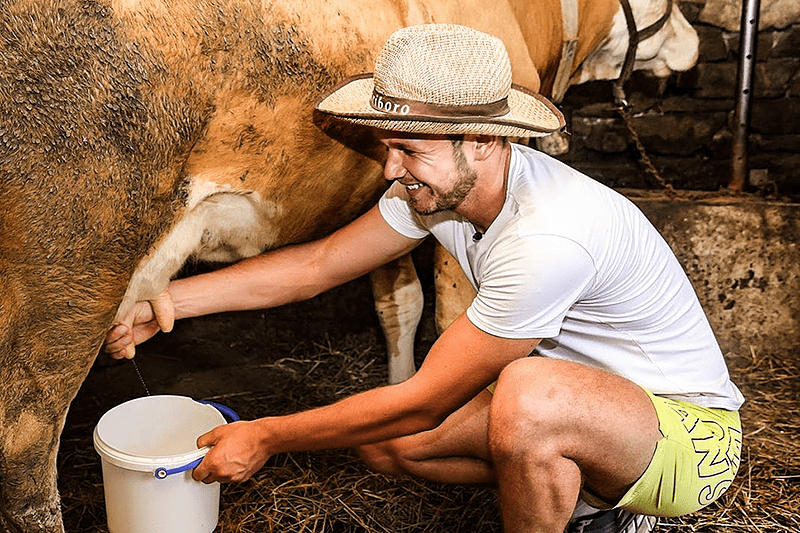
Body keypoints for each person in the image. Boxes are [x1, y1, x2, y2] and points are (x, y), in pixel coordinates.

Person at [104, 24, 744, 533]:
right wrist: (163, 302)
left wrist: (266, 436)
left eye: (410, 149)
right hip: (593, 406)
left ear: (483, 143)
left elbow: (426, 399)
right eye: (388, 146)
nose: (390, 169)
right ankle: (581, 491)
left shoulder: (548, 234)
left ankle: (604, 506)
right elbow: (317, 266)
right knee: (387, 444)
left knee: (527, 393)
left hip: (688, 440)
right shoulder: (436, 191)